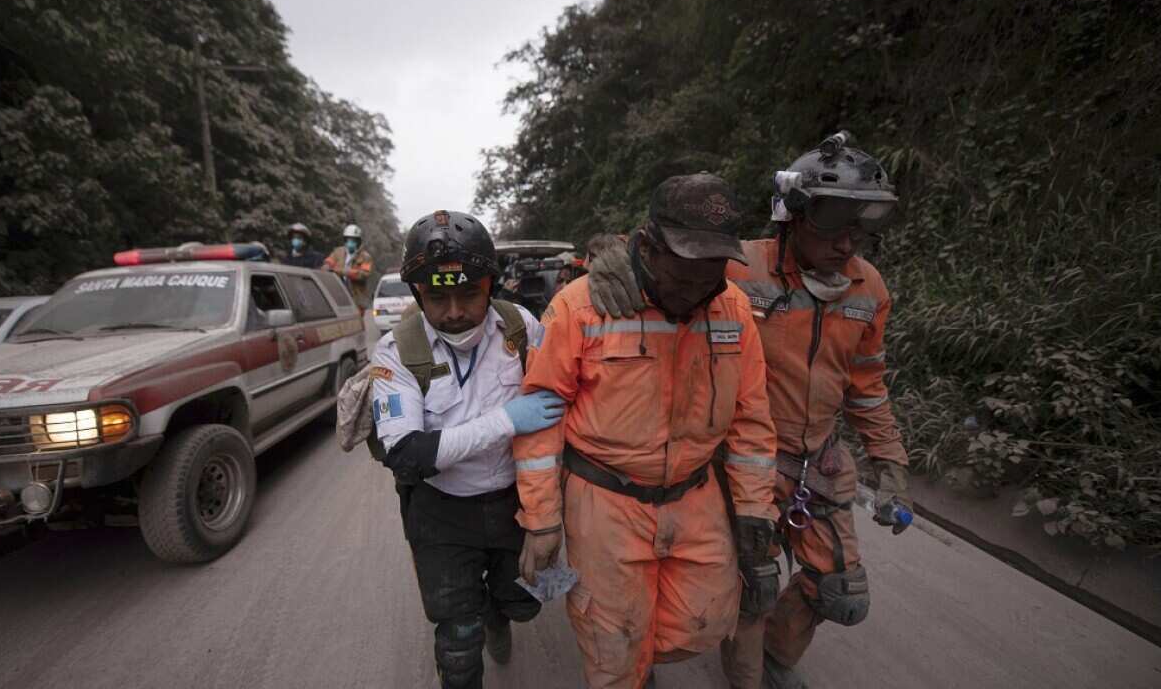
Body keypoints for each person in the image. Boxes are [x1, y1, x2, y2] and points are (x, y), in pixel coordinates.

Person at [585, 133, 914, 689]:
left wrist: (892, 462)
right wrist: (603, 253)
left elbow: (868, 385)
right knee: (753, 581)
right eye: (834, 222)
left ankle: (775, 660)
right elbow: (654, 251)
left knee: (839, 590)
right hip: (736, 457)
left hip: (819, 460)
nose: (848, 244)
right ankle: (747, 673)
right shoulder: (740, 269)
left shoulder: (868, 287)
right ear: (794, 214)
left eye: (862, 227)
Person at [514, 173, 781, 688]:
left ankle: (640, 659)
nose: (703, 282)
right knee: (614, 645)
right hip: (604, 501)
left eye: (714, 266)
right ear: (650, 247)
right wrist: (542, 519)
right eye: (687, 266)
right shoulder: (579, 307)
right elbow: (539, 419)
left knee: (702, 621)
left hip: (695, 493)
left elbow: (750, 421)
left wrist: (752, 507)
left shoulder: (733, 311)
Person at [371, 210, 565, 689]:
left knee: (520, 603)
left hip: (513, 504)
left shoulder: (521, 327)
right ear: (418, 294)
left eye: (469, 293)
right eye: (437, 296)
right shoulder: (395, 354)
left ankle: (497, 617)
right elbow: (407, 455)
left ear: (491, 286)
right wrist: (504, 421)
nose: (454, 310)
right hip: (440, 514)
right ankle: (472, 628)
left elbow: (564, 396)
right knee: (458, 639)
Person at [325, 223, 374, 312]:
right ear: (345, 240)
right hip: (338, 295)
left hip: (357, 298)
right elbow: (327, 264)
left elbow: (363, 274)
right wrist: (327, 268)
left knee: (357, 322)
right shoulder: (337, 252)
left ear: (358, 241)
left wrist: (343, 271)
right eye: (348, 239)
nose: (350, 242)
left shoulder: (366, 257)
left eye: (353, 240)